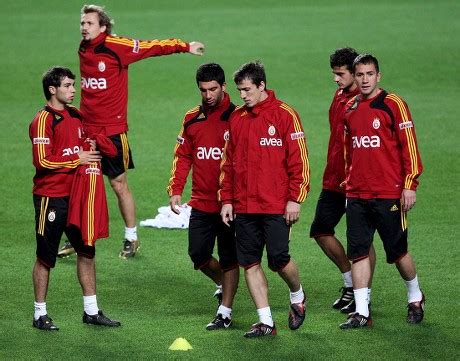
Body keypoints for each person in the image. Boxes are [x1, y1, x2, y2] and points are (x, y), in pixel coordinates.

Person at [76, 4, 205, 259]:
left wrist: (184, 46)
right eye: (82, 23)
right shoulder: (83, 48)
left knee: (118, 184)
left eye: (89, 23)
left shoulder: (116, 47)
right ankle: (77, 237)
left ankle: (131, 237)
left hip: (112, 132)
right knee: (77, 183)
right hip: (85, 131)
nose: (83, 27)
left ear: (102, 27)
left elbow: (150, 47)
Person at [220, 61, 310, 337]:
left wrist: (295, 199)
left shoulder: (285, 115)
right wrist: (226, 199)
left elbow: (300, 162)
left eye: (247, 90)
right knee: (249, 262)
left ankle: (297, 295)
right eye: (239, 91)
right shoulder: (236, 117)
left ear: (261, 86)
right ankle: (266, 321)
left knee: (279, 259)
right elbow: (228, 163)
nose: (242, 95)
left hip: (275, 205)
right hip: (245, 206)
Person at [30, 66, 121, 331]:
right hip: (51, 197)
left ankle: (91, 311)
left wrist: (94, 144)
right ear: (52, 89)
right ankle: (39, 314)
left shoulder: (76, 116)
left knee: (86, 252)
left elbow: (92, 142)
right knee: (46, 257)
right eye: (68, 85)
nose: (73, 90)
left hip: (80, 197)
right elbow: (42, 160)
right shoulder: (43, 120)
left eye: (73, 85)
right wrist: (76, 158)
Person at [339, 54, 424, 329]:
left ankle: (415, 296)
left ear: (378, 76)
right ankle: (362, 312)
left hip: (389, 193)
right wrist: (349, 182)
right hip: (357, 194)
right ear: (355, 76)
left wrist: (409, 184)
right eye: (360, 74)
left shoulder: (393, 105)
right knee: (358, 252)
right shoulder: (350, 110)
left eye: (369, 74)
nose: (364, 79)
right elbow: (349, 152)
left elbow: (409, 146)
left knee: (397, 252)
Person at [167, 63, 239, 330]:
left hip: (230, 204)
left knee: (231, 258)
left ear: (223, 87)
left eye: (213, 89)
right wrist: (176, 190)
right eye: (203, 90)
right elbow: (183, 155)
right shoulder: (192, 118)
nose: (208, 95)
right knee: (198, 254)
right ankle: (223, 283)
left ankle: (225, 311)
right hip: (201, 201)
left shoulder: (238, 117)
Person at [310, 48, 376, 313]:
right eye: (335, 74)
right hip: (334, 179)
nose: (336, 79)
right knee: (320, 230)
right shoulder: (339, 96)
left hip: (358, 182)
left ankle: (364, 295)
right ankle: (351, 281)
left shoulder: (364, 102)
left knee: (363, 241)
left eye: (340, 74)